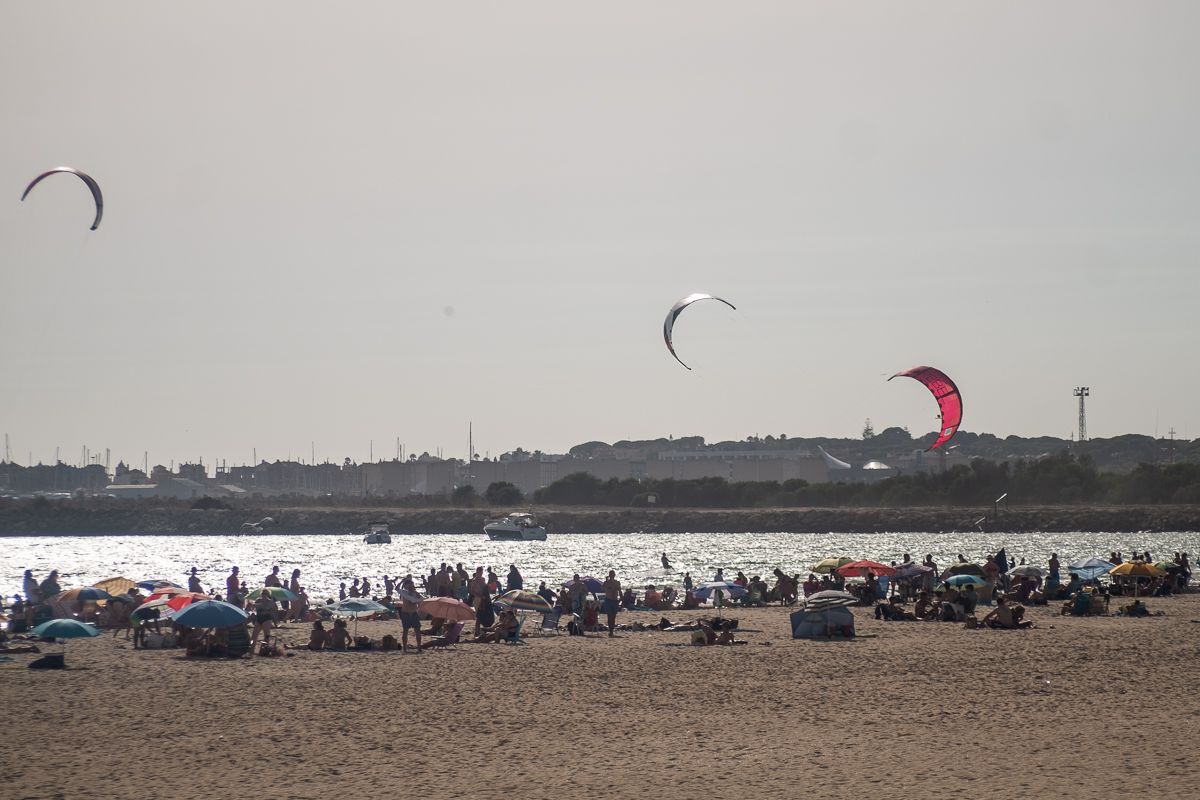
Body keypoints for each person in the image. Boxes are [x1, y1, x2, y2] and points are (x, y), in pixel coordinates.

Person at [399, 575, 422, 653]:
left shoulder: (416, 593)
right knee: (405, 630)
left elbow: (420, 601)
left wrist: (418, 606)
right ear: (405, 586)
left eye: (412, 585)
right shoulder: (404, 592)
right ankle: (404, 648)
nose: (411, 586)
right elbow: (396, 589)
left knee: (417, 630)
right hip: (405, 613)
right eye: (409, 585)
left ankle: (419, 647)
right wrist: (402, 581)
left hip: (414, 613)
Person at [601, 570, 621, 637]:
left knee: (613, 617)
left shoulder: (617, 583)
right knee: (609, 616)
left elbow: (620, 591)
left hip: (615, 600)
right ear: (609, 575)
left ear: (614, 575)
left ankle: (611, 631)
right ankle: (610, 631)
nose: (612, 576)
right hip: (608, 600)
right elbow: (602, 588)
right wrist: (606, 582)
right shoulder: (606, 583)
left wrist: (621, 600)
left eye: (613, 574)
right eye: (611, 574)